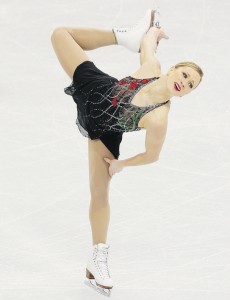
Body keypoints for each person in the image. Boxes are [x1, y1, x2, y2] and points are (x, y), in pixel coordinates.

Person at [51, 9, 203, 295]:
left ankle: (98, 257)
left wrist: (123, 164)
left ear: (186, 94)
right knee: (61, 34)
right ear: (172, 70)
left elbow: (152, 155)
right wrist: (153, 33)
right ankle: (120, 36)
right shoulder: (151, 68)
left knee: (99, 193)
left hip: (105, 132)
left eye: (190, 84)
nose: (185, 81)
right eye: (184, 74)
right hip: (97, 88)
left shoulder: (159, 119)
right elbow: (146, 45)